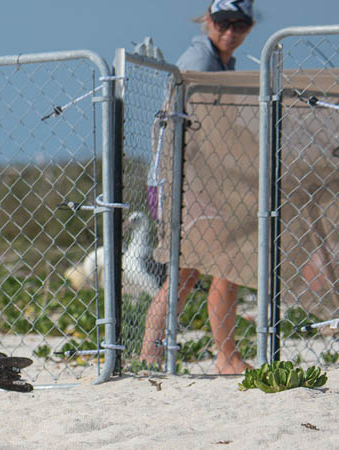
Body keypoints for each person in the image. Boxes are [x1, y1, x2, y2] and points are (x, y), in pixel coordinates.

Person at [139, 0, 254, 375]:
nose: (230, 31)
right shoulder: (202, 62)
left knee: (186, 273)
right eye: (224, 22)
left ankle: (150, 354)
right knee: (227, 262)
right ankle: (225, 357)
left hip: (190, 182)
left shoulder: (220, 61)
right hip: (190, 183)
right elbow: (205, 133)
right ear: (208, 20)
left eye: (239, 24)